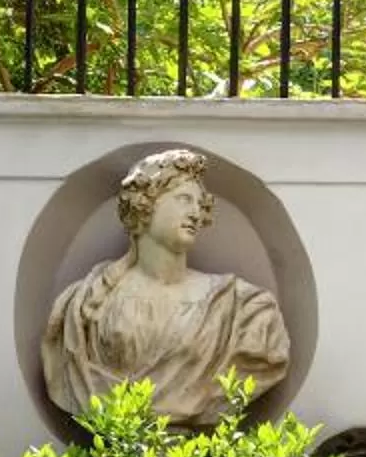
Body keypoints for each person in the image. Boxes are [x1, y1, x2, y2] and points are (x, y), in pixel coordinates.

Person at [40, 148, 290, 426]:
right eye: (184, 199)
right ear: (145, 204)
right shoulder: (83, 306)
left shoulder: (242, 309)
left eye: (200, 204)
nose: (195, 213)